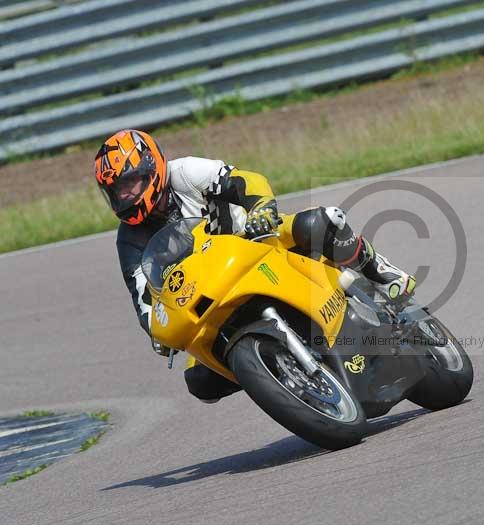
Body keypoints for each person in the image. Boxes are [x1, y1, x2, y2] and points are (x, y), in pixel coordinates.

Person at [94, 129, 415, 403]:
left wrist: (261, 207)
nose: (126, 196)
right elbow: (144, 301)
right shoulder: (129, 240)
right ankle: (278, 377)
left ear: (151, 168)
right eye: (117, 191)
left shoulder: (186, 173)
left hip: (257, 241)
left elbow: (245, 181)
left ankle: (380, 271)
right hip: (209, 291)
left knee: (320, 222)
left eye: (130, 183)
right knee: (200, 381)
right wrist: (158, 331)